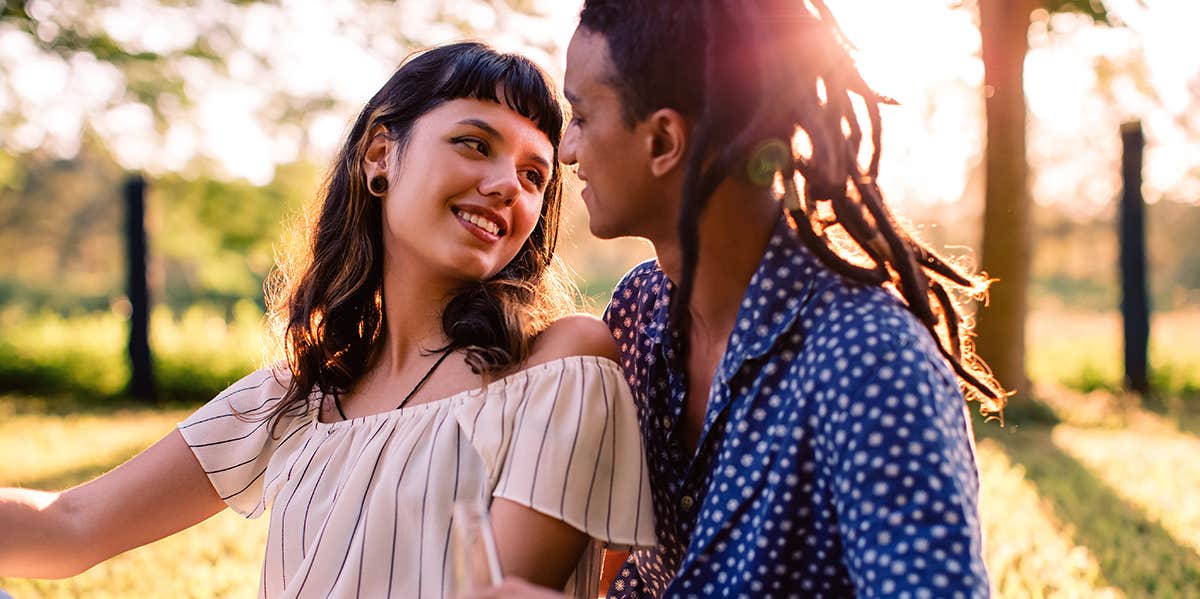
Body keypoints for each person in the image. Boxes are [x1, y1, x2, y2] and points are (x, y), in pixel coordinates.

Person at [0, 41, 656, 598]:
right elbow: (73, 522)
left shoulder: (562, 361)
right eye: (473, 143)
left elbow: (497, 588)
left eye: (534, 175)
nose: (506, 184)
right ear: (380, 156)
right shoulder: (298, 395)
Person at [461, 1, 1008, 598]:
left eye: (584, 117)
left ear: (664, 139)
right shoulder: (640, 313)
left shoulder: (869, 359)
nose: (567, 151)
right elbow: (639, 568)